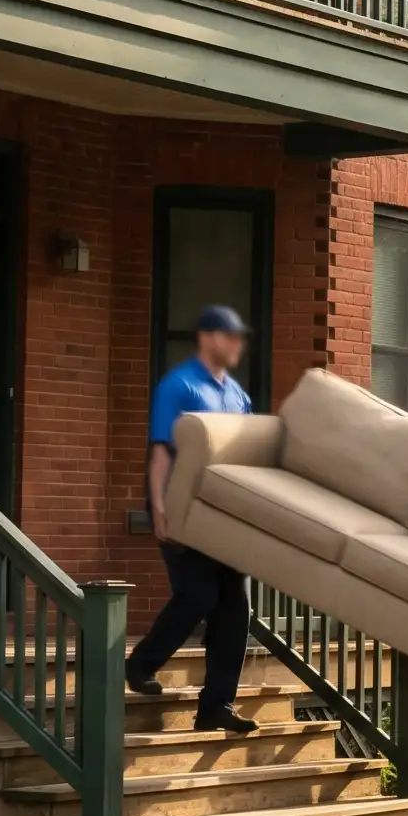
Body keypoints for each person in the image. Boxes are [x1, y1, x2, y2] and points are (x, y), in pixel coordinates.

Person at [124, 305, 259, 734]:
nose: (237, 344)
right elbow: (162, 450)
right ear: (207, 337)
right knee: (197, 594)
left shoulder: (237, 395)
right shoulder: (178, 386)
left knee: (234, 607)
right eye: (230, 335)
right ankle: (139, 666)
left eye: (240, 336)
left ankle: (215, 706)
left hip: (222, 516)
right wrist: (159, 507)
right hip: (182, 509)